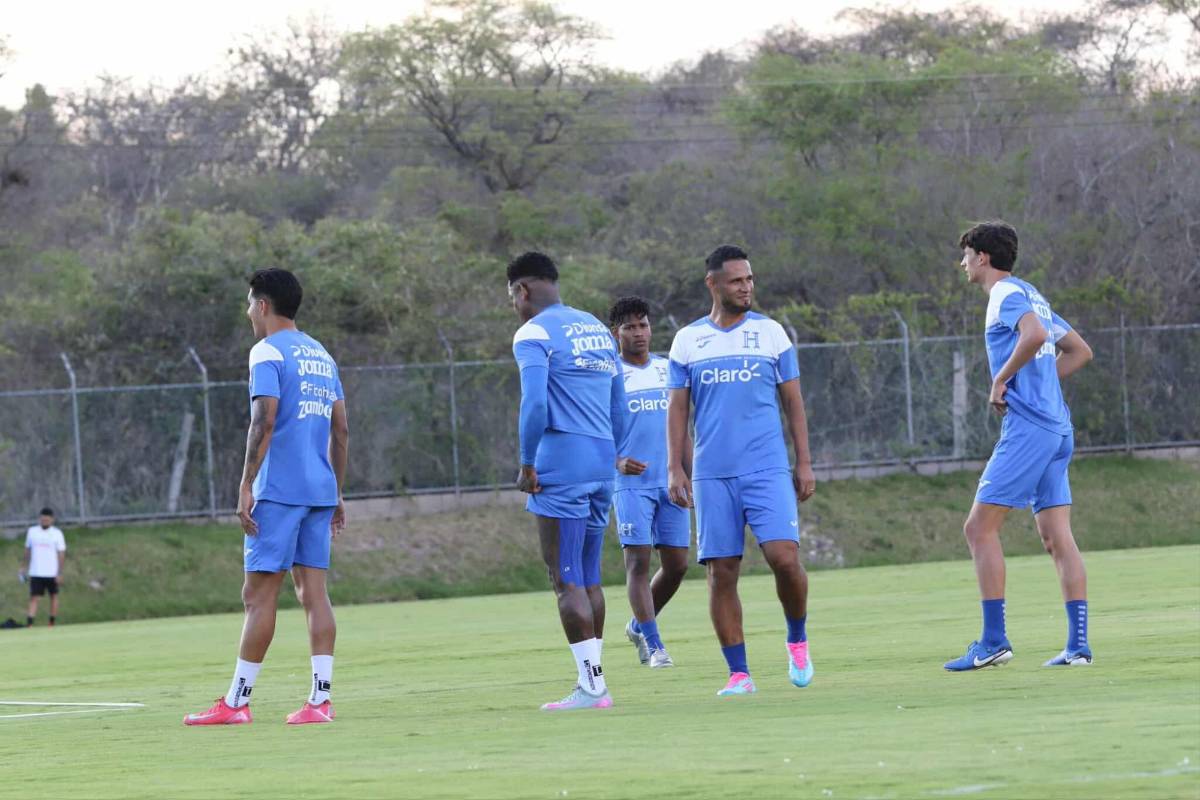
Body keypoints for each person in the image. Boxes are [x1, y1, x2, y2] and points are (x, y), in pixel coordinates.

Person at [185, 267, 350, 726]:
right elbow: (341, 429)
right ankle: (321, 701)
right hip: (319, 489)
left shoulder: (266, 352)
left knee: (258, 596)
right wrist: (337, 491)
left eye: (248, 304)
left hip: (278, 491)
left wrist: (245, 483)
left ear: (262, 305)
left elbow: (265, 420)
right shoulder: (322, 355)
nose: (247, 313)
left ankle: (236, 703)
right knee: (314, 594)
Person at [666, 244, 818, 697]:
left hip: (767, 467)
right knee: (722, 573)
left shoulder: (771, 334)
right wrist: (675, 468)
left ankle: (797, 638)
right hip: (713, 474)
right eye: (736, 280)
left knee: (784, 559)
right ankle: (739, 674)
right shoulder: (688, 340)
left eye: (749, 279)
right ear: (713, 284)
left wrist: (804, 461)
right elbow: (676, 412)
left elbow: (793, 402)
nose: (746, 287)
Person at [945, 221, 1095, 671]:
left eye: (967, 255)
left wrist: (1002, 378)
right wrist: (1036, 383)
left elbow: (1031, 337)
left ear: (983, 258)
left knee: (979, 528)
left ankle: (993, 641)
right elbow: (1079, 351)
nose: (963, 263)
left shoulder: (1006, 296)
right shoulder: (1034, 295)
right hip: (1058, 430)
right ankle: (1078, 647)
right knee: (1056, 537)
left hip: (1031, 431)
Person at [509, 251, 628, 711]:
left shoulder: (533, 333)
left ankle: (592, 687)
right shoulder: (597, 328)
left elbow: (534, 404)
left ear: (522, 291)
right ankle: (595, 682)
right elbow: (619, 403)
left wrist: (526, 461)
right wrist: (611, 453)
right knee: (590, 577)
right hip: (601, 464)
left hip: (560, 465)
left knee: (565, 580)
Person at [608, 296, 691, 669]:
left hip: (670, 481)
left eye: (643, 325)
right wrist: (617, 461)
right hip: (630, 486)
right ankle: (655, 646)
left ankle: (637, 625)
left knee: (676, 566)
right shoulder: (608, 376)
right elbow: (591, 432)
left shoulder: (668, 369)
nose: (638, 333)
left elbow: (682, 428)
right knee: (638, 562)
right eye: (629, 327)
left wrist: (690, 473)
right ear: (616, 333)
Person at [21, 507, 66, 627]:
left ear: (52, 520)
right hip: (36, 572)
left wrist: (60, 573)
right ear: (40, 518)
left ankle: (51, 622)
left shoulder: (57, 533)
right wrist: (23, 567)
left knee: (54, 597)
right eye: (43, 518)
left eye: (47, 519)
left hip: (52, 572)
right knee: (34, 598)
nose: (45, 520)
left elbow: (61, 554)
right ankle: (29, 624)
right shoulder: (32, 531)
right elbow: (27, 550)